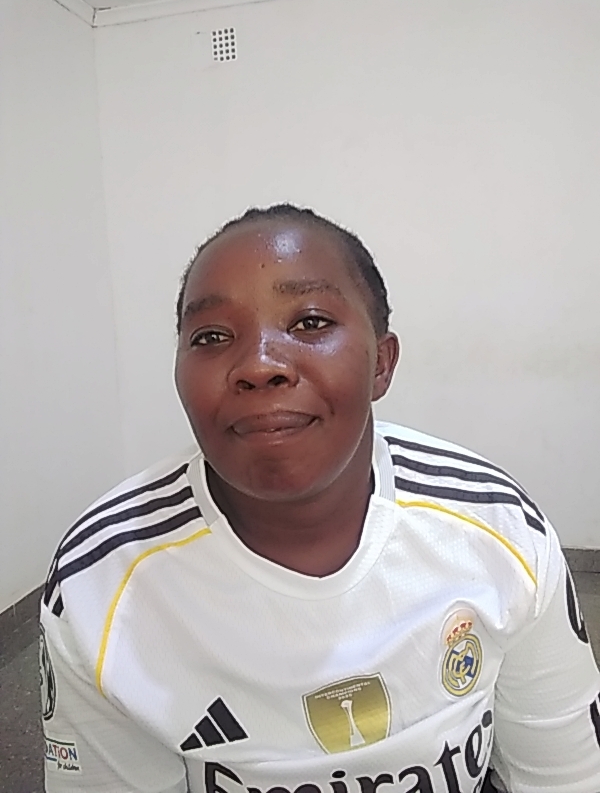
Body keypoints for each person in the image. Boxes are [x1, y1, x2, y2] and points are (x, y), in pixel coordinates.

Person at [40, 204, 600, 793]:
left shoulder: (496, 526)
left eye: (309, 322)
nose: (259, 365)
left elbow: (564, 777)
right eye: (212, 336)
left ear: (381, 363)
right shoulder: (101, 583)